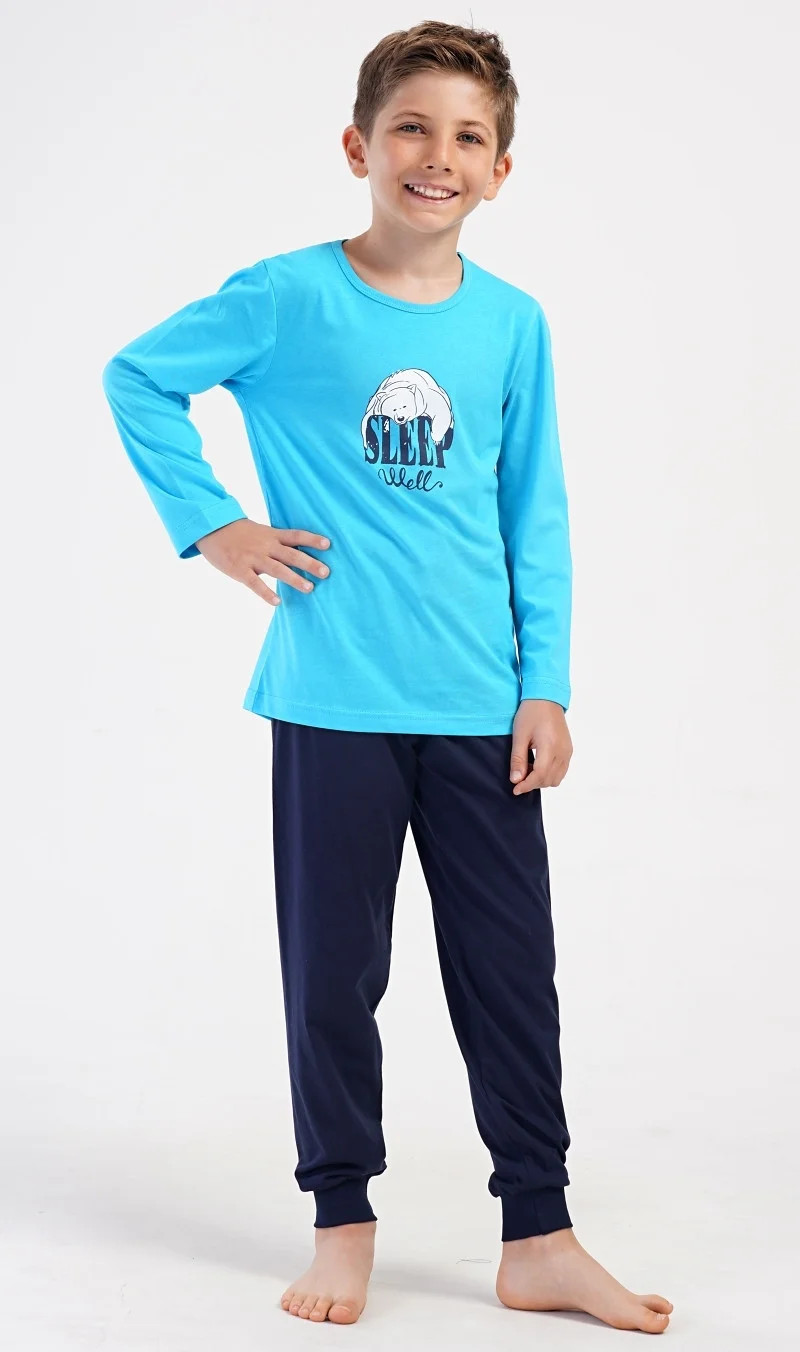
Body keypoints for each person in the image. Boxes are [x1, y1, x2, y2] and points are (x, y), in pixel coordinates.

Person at [101, 18, 673, 1336]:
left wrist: (546, 685)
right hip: (333, 702)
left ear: (501, 170)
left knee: (509, 975)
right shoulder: (287, 297)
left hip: (482, 708)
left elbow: (535, 514)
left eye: (469, 137)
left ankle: (540, 1234)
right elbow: (138, 378)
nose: (437, 156)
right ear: (358, 145)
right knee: (333, 976)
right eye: (412, 127)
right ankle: (342, 1219)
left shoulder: (513, 325)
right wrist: (214, 526)